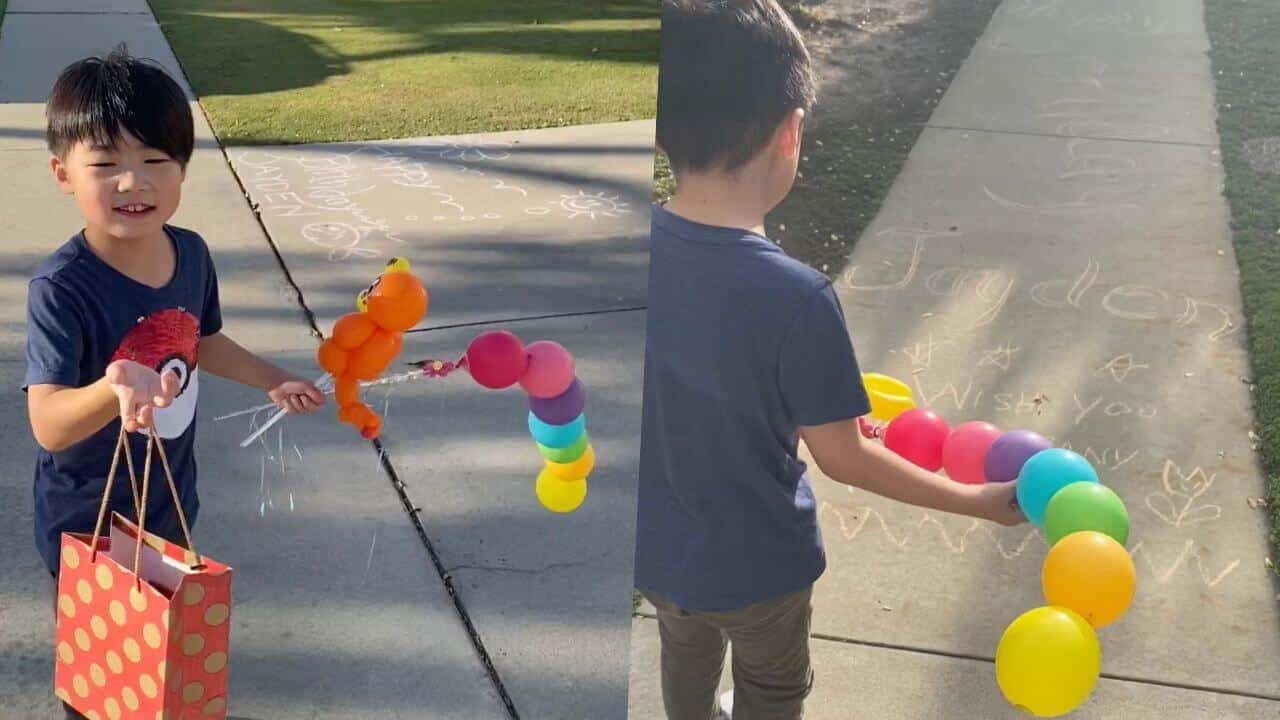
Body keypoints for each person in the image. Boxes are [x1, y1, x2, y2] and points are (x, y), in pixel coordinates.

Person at [634, 3, 1027, 719]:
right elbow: (844, 459)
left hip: (660, 552)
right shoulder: (797, 298)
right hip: (762, 570)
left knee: (682, 651)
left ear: (661, 135)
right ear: (791, 133)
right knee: (773, 685)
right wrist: (974, 502)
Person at [23, 48, 325, 719]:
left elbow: (203, 340)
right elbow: (47, 423)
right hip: (88, 521)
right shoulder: (62, 288)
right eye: (105, 164)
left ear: (182, 169)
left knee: (163, 669)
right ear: (62, 174)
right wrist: (112, 386)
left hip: (166, 503)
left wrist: (274, 379)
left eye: (155, 160)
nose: (133, 182)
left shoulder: (190, 254)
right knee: (103, 676)